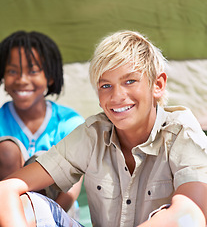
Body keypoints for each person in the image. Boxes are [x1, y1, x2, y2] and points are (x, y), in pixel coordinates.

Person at [0, 30, 207, 227]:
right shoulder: (94, 134)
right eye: (106, 86)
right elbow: (6, 188)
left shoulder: (181, 132)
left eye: (130, 81)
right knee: (27, 204)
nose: (117, 96)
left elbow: (192, 214)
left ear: (158, 85)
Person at [0, 31, 84, 213]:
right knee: (6, 150)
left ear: (50, 77)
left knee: (43, 160)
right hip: (7, 212)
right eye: (13, 71)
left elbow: (73, 187)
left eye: (33, 71)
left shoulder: (69, 122)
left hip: (58, 213)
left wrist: (47, 221)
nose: (22, 80)